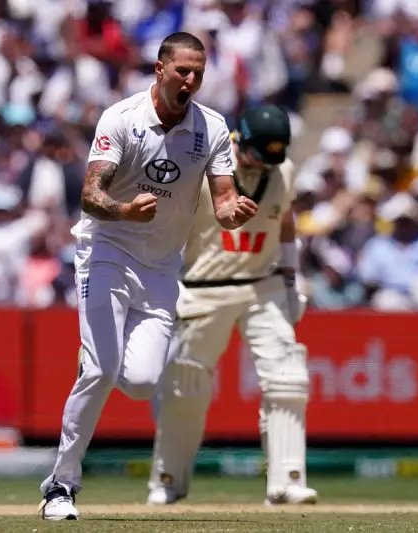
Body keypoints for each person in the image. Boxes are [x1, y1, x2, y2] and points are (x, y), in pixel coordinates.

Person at [38, 32, 258, 521]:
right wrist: (124, 212)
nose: (192, 80)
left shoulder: (213, 127)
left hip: (161, 266)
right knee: (100, 370)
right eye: (183, 70)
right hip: (107, 249)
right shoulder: (122, 118)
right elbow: (90, 194)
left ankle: (97, 354)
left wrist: (230, 212)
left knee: (139, 381)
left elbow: (222, 196)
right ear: (160, 69)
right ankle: (61, 486)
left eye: (199, 72)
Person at [146, 104, 318, 506]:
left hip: (263, 286)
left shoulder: (283, 170)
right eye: (262, 153)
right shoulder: (202, 173)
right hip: (204, 288)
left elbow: (286, 221)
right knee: (186, 382)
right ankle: (168, 479)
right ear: (241, 140)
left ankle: (287, 480)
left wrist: (291, 277)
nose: (269, 163)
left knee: (287, 375)